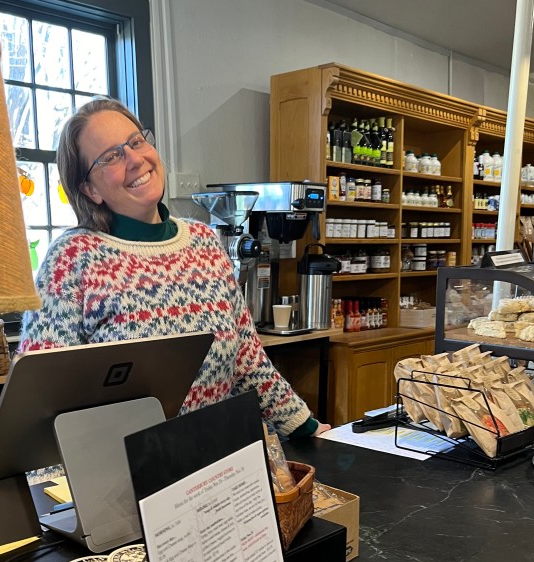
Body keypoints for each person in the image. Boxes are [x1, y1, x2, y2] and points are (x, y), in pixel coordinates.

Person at [20, 97, 329, 439]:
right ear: (90, 189)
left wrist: (307, 427)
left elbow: (247, 359)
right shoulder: (71, 258)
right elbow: (42, 400)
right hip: (126, 466)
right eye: (111, 156)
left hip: (218, 458)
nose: (134, 159)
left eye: (136, 141)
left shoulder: (204, 242)